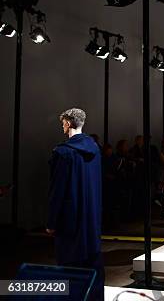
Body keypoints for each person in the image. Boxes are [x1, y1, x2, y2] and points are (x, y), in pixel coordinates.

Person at [46, 108, 104, 300]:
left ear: (68, 123)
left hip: (70, 220)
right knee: (92, 262)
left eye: (63, 123)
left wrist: (51, 222)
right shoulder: (94, 148)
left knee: (70, 265)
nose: (62, 126)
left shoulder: (63, 153)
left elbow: (57, 191)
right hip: (92, 217)